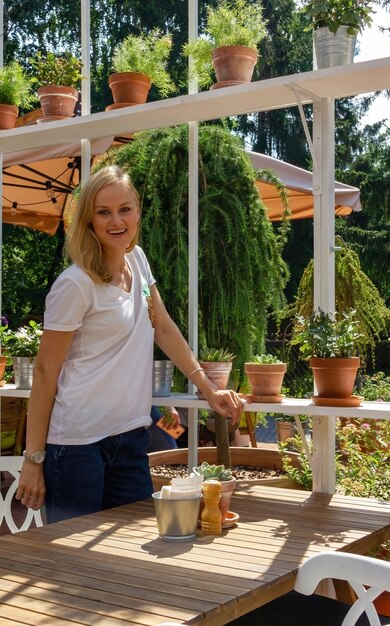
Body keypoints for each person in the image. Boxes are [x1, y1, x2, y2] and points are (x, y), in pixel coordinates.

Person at [16, 165, 244, 523]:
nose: (116, 220)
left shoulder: (137, 261)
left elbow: (163, 328)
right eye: (103, 212)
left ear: (137, 211)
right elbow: (45, 372)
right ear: (89, 221)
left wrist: (207, 387)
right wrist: (33, 460)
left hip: (130, 438)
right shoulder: (75, 284)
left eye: (124, 209)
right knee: (75, 566)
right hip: (77, 447)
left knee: (130, 551)